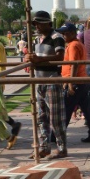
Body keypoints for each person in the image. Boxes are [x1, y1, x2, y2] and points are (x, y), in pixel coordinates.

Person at [25, 10, 67, 156]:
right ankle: (44, 147)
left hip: (52, 80)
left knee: (56, 118)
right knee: (41, 117)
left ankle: (61, 147)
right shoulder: (38, 39)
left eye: (39, 24)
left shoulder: (57, 37)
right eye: (35, 24)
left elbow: (60, 56)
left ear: (48, 24)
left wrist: (39, 59)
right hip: (39, 80)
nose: (37, 26)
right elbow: (36, 57)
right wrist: (30, 58)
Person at [59, 22, 90, 146]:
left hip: (75, 82)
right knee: (87, 110)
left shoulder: (74, 45)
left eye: (66, 33)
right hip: (81, 81)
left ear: (72, 33)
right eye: (63, 33)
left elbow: (74, 64)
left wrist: (70, 83)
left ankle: (57, 137)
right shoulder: (76, 44)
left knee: (66, 110)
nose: (64, 36)